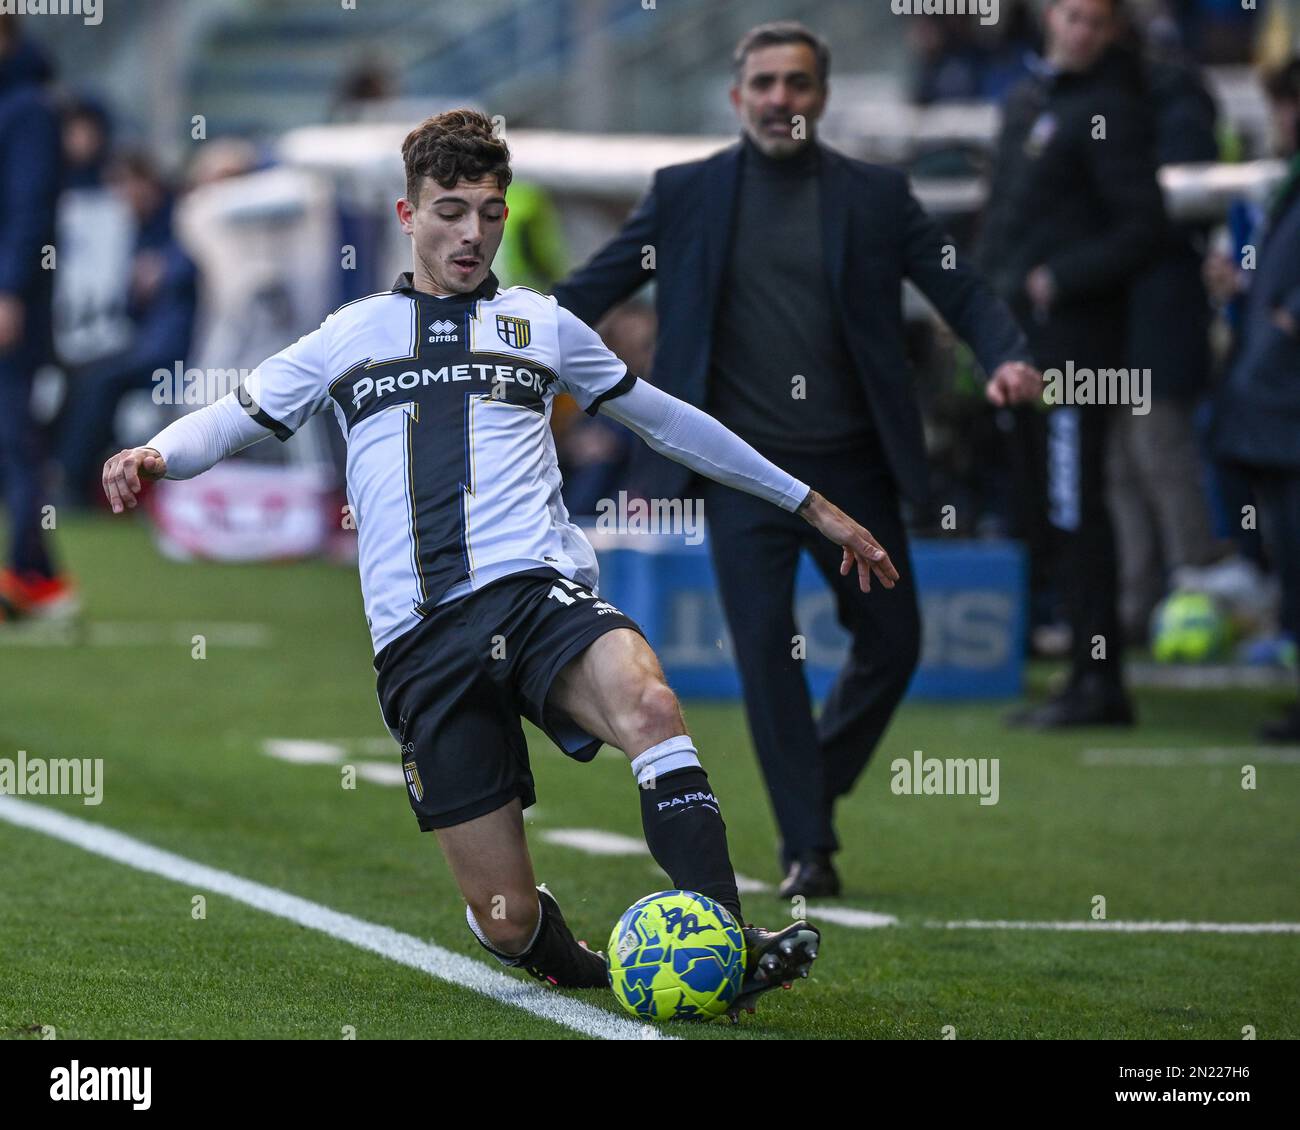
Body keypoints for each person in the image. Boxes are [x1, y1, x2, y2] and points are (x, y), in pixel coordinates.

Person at [101, 110, 902, 1018]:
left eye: (489, 211)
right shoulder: (349, 335)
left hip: (533, 596)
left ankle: (723, 943)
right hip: (422, 643)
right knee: (505, 918)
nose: (473, 233)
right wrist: (157, 453)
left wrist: (811, 504)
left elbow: (670, 420)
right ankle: (579, 964)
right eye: (450, 211)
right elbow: (233, 415)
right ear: (407, 216)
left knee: (648, 703)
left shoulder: (541, 326)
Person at [553, 21, 1041, 897]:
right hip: (741, 471)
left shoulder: (875, 197)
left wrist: (1006, 353)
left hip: (853, 466)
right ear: (739, 95)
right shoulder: (685, 195)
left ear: (822, 95)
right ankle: (808, 848)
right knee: (768, 654)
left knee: (894, 643)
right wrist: (491, 341)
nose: (781, 98)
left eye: (799, 83)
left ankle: (808, 786)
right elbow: (588, 292)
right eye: (766, 83)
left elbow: (957, 283)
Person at [980, 0, 1166, 727]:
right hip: (1021, 349)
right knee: (1046, 509)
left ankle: (1101, 680)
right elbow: (1003, 221)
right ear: (1049, 18)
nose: (1080, 31)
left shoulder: (1109, 109)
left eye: (1095, 20)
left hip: (1074, 356)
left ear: (1111, 32)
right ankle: (1078, 675)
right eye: (1071, 16)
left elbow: (1143, 227)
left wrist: (1061, 276)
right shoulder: (1028, 100)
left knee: (1075, 508)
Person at [1209, 59, 1300, 741]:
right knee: (1285, 546)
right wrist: (1247, 292)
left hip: (1286, 400)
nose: (1280, 120)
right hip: (1270, 406)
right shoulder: (1286, 184)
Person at [0, 15, 75, 621]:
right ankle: (41, 578)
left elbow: (29, 210)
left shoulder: (27, 107)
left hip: (12, 302)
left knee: (15, 438)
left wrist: (10, 292)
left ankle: (28, 574)